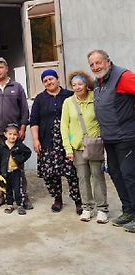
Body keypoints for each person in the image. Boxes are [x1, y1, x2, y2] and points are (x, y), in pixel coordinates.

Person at [88, 49, 135, 232]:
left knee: (130, 176)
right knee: (115, 173)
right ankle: (128, 211)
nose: (95, 67)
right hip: (109, 138)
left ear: (108, 61)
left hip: (126, 137)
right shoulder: (98, 82)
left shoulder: (123, 76)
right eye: (92, 64)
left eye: (98, 62)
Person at [30, 69, 82, 213]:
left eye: (51, 79)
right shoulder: (40, 99)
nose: (49, 82)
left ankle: (78, 201)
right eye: (45, 80)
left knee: (72, 172)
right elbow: (34, 121)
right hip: (47, 141)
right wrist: (35, 139)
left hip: (68, 141)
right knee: (51, 173)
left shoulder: (69, 95)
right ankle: (57, 199)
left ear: (58, 79)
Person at [0, 57, 31, 208]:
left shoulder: (16, 87)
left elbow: (24, 109)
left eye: (0, 67)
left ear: (6, 68)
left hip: (14, 135)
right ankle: (1, 194)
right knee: (0, 166)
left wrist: (22, 127)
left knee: (17, 165)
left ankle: (23, 196)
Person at [60, 70, 108, 223]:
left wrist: (102, 139)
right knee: (83, 178)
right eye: (74, 85)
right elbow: (64, 126)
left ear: (86, 84)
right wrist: (68, 147)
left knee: (98, 177)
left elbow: (103, 119)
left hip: (94, 145)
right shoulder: (68, 102)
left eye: (80, 84)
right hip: (77, 147)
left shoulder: (96, 98)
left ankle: (102, 209)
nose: (77, 87)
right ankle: (87, 208)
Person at [0, 123, 32, 215]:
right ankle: (10, 205)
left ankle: (20, 205)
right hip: (5, 172)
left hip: (16, 171)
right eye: (10, 134)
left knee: (18, 189)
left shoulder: (19, 146)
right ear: (5, 134)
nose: (12, 136)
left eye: (15, 134)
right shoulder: (1, 146)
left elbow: (28, 152)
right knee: (7, 189)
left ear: (18, 135)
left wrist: (20, 160)